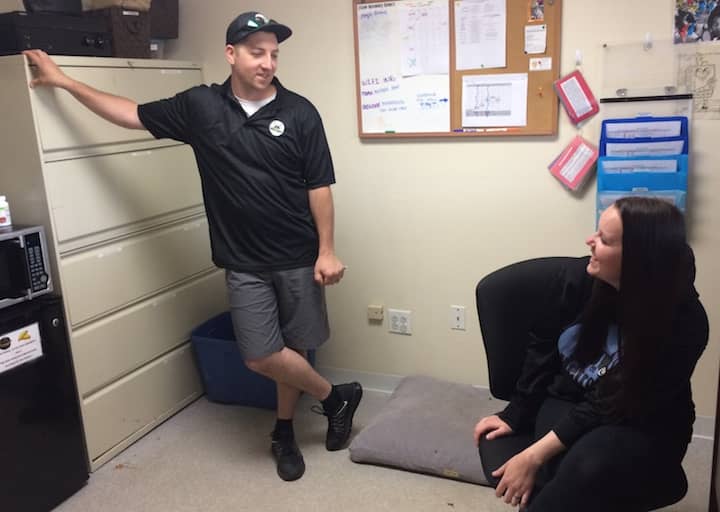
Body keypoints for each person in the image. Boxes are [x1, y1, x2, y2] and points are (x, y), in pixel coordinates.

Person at [22, 10, 363, 483]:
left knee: (296, 346)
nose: (267, 62)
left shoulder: (300, 112)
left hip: (298, 254)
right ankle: (335, 397)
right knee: (261, 354)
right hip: (241, 259)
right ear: (231, 54)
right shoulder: (201, 107)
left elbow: (319, 185)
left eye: (274, 54)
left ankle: (284, 429)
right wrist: (64, 81)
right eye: (256, 52)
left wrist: (327, 249)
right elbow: (129, 113)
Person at [473, 196, 708, 511]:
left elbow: (611, 402)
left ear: (640, 259)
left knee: (588, 466)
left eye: (604, 239)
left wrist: (532, 456)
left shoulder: (684, 323)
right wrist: (516, 414)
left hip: (643, 420)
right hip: (569, 397)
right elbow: (542, 349)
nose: (590, 242)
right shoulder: (579, 280)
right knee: (574, 476)